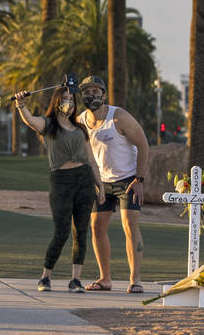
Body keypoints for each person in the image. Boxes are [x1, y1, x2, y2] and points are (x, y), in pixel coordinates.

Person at [14, 85, 105, 293]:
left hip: (84, 181)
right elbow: (30, 120)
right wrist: (21, 105)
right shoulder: (49, 125)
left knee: (80, 232)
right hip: (61, 181)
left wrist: (100, 185)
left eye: (72, 100)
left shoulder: (81, 129)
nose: (70, 103)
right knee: (62, 231)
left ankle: (76, 280)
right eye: (65, 99)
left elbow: (90, 158)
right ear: (57, 102)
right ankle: (45, 277)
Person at [77, 75, 151, 294]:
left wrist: (139, 179)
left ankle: (135, 280)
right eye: (87, 92)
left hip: (128, 179)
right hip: (101, 183)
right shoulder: (80, 121)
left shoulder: (118, 117)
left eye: (96, 91)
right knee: (97, 227)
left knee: (129, 225)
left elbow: (144, 144)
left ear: (104, 94)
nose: (91, 96)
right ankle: (105, 278)